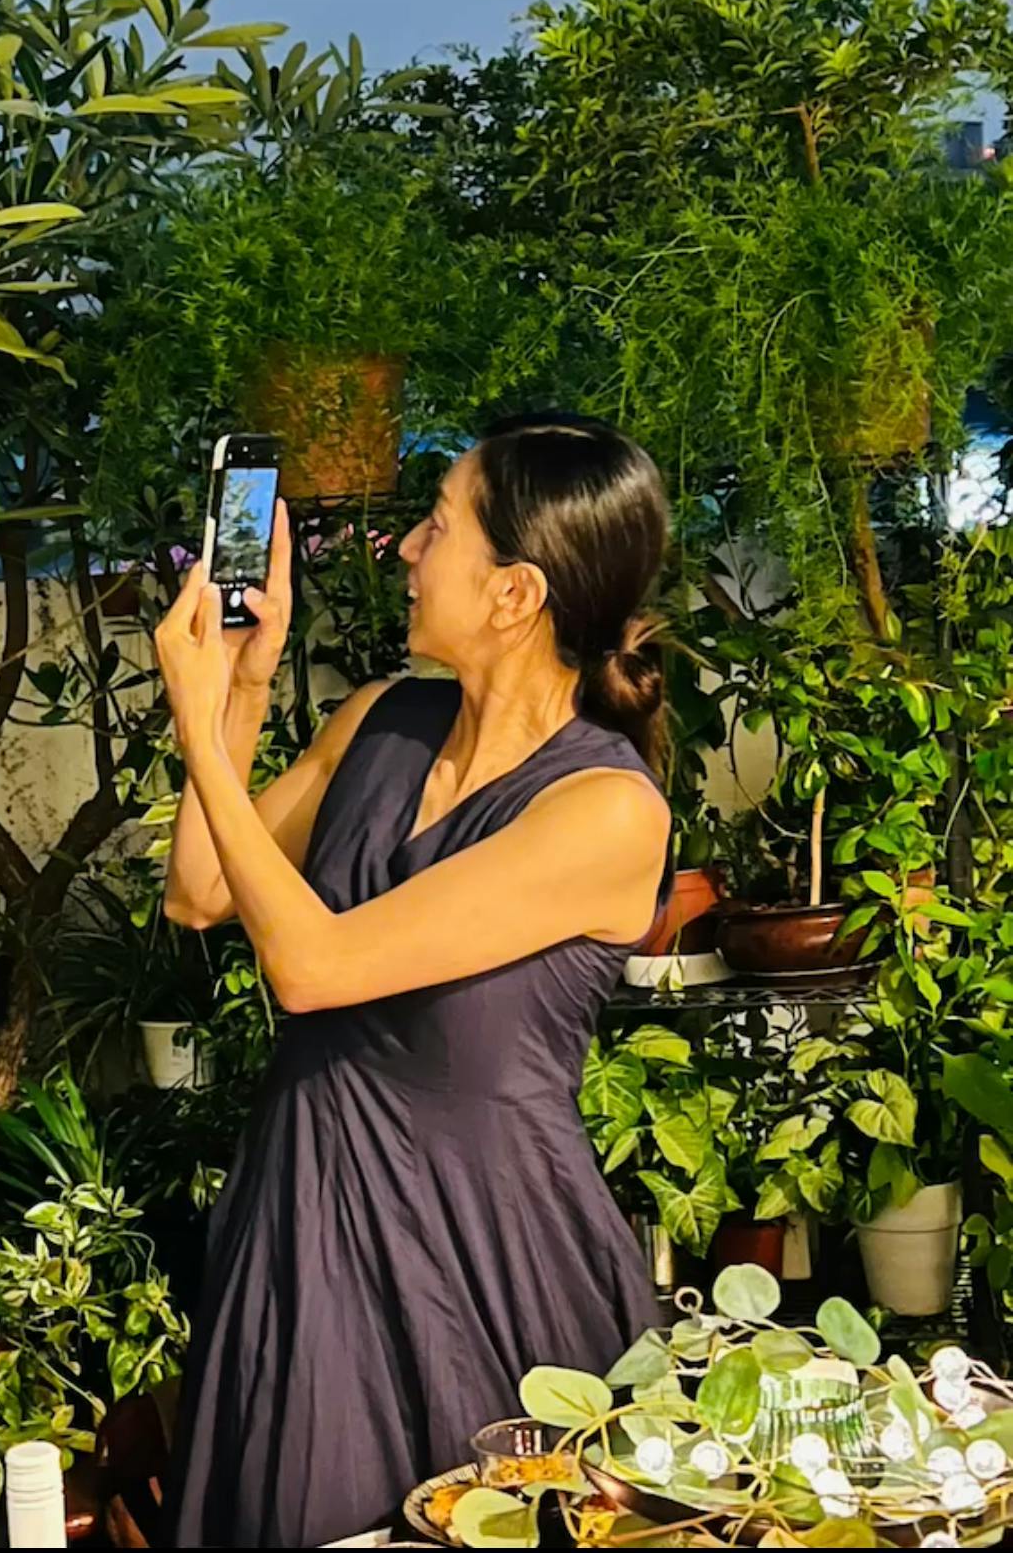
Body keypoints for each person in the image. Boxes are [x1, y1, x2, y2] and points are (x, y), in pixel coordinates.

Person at [155, 413, 672, 1549]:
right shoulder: (379, 721)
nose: (404, 550)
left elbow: (313, 967)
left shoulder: (604, 808)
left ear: (514, 593)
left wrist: (192, 720)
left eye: (437, 528)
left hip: (485, 1258)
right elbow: (198, 889)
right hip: (308, 1229)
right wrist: (239, 690)